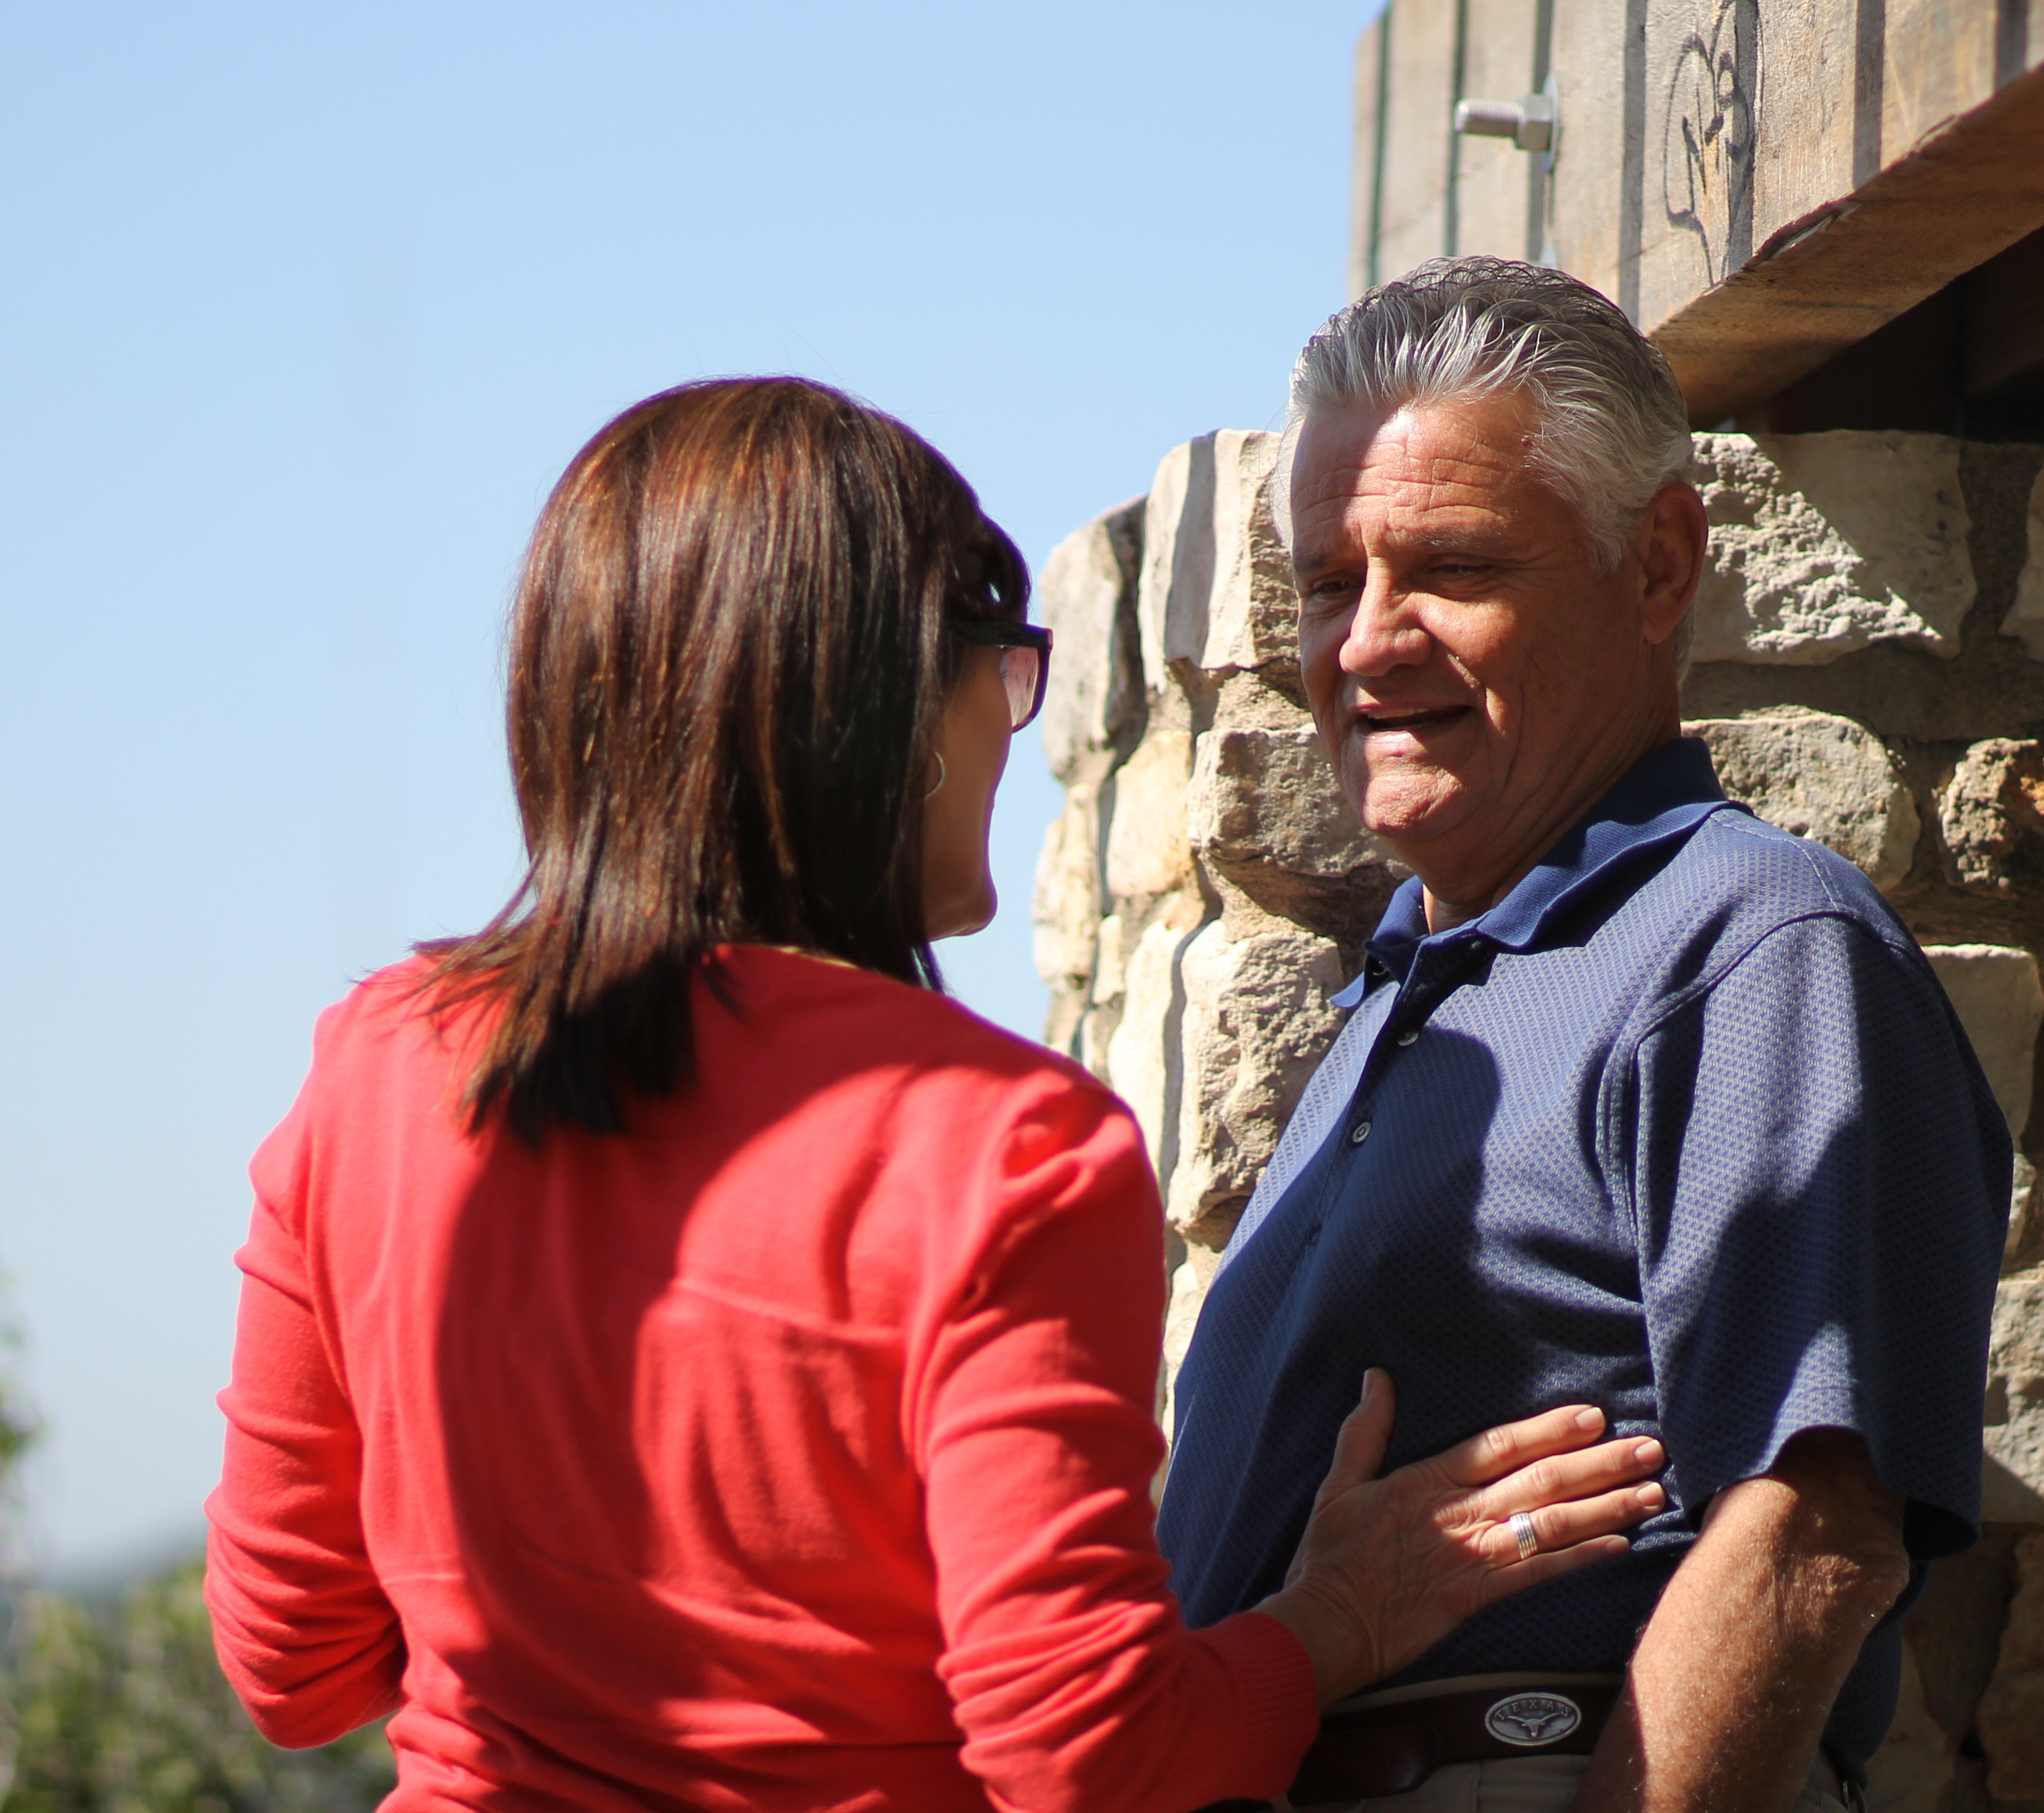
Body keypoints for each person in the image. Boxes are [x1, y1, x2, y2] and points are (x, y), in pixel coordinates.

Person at [202, 376, 1668, 1813]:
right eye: (1004, 669)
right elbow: (1084, 1760)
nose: (1008, 733)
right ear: (894, 698)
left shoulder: (376, 1067)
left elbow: (292, 1664)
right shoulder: (1001, 1148)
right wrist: (1340, 1617)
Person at [1156, 259, 2012, 1813]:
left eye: (1449, 566)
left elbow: (1812, 1531)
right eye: (1328, 583)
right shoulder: (1403, 990)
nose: (1366, 643)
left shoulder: (1751, 944)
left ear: (1657, 562)